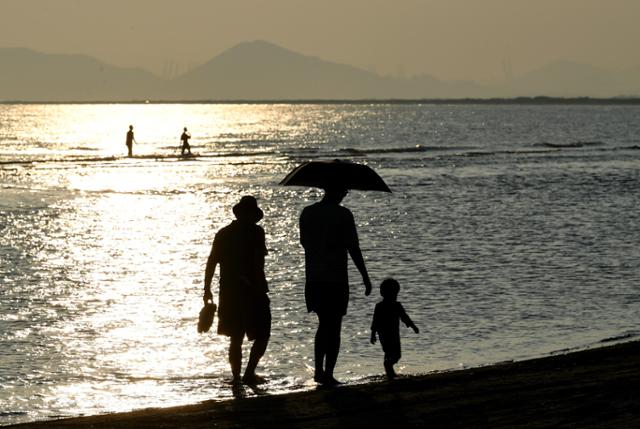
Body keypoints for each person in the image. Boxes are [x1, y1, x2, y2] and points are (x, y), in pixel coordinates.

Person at [300, 187, 372, 386]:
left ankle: (318, 371)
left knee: (323, 324)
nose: (345, 194)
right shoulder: (343, 214)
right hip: (336, 277)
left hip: (314, 277)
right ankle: (328, 373)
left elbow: (304, 242)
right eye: (344, 190)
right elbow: (353, 247)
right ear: (337, 191)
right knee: (334, 326)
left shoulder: (308, 212)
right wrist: (365, 276)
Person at [204, 196, 271, 385]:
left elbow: (212, 262)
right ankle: (247, 374)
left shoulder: (223, 233)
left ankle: (237, 377)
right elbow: (259, 262)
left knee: (236, 337)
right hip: (253, 291)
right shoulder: (256, 232)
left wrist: (207, 289)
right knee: (262, 334)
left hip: (229, 291)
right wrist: (258, 285)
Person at [370, 278, 419, 379]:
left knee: (388, 352)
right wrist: (413, 326)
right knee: (396, 355)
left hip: (383, 334)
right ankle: (388, 366)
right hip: (392, 334)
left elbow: (375, 322)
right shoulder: (396, 305)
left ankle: (390, 373)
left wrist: (373, 334)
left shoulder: (379, 306)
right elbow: (404, 317)